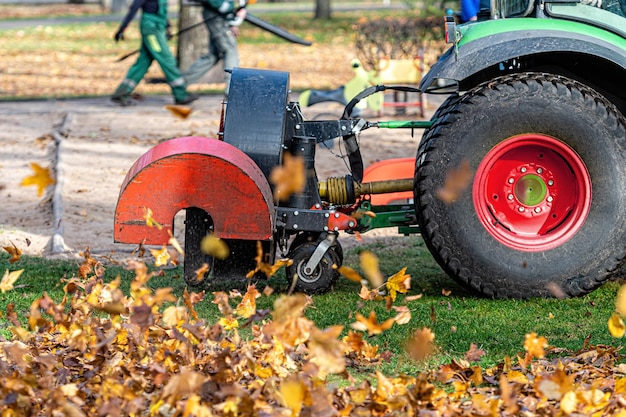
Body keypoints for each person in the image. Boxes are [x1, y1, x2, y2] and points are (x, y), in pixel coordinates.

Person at [150, 0, 247, 97]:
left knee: (212, 55)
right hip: (216, 16)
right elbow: (219, 4)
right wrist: (231, 10)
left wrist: (230, 19)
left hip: (218, 16)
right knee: (229, 50)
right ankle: (232, 90)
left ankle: (181, 83)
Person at [112, 0, 198, 106]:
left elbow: (161, 10)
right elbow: (134, 8)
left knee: (143, 63)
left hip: (157, 27)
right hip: (151, 30)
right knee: (167, 60)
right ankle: (181, 95)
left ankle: (121, 93)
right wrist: (122, 29)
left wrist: (167, 27)